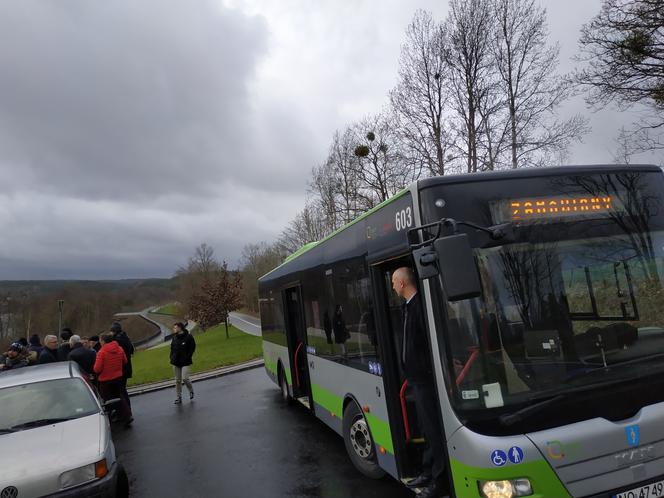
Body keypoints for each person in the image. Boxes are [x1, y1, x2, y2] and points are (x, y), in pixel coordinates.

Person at [392, 267, 446, 498]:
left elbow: (429, 343)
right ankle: (427, 470)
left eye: (394, 282)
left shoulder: (420, 307)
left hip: (425, 380)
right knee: (425, 428)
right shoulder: (407, 308)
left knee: (434, 430)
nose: (392, 286)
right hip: (415, 380)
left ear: (403, 283)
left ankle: (440, 481)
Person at [94, 333, 133, 426]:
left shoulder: (101, 352)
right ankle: (127, 416)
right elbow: (125, 361)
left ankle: (110, 420)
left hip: (105, 380)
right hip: (118, 377)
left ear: (103, 341)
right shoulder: (119, 348)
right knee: (120, 397)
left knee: (108, 400)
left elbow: (97, 369)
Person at [170, 322, 196, 404]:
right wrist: (171, 357)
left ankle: (191, 391)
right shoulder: (174, 338)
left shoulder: (188, 337)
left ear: (180, 328)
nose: (174, 329)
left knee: (184, 378)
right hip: (176, 362)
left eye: (175, 327)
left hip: (185, 362)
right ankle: (179, 397)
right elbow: (172, 348)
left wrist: (188, 356)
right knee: (177, 380)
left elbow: (193, 347)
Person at [110, 322, 134, 408]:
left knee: (121, 390)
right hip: (127, 366)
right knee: (123, 389)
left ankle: (126, 409)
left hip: (122, 368)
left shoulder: (117, 340)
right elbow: (131, 350)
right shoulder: (126, 337)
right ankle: (127, 408)